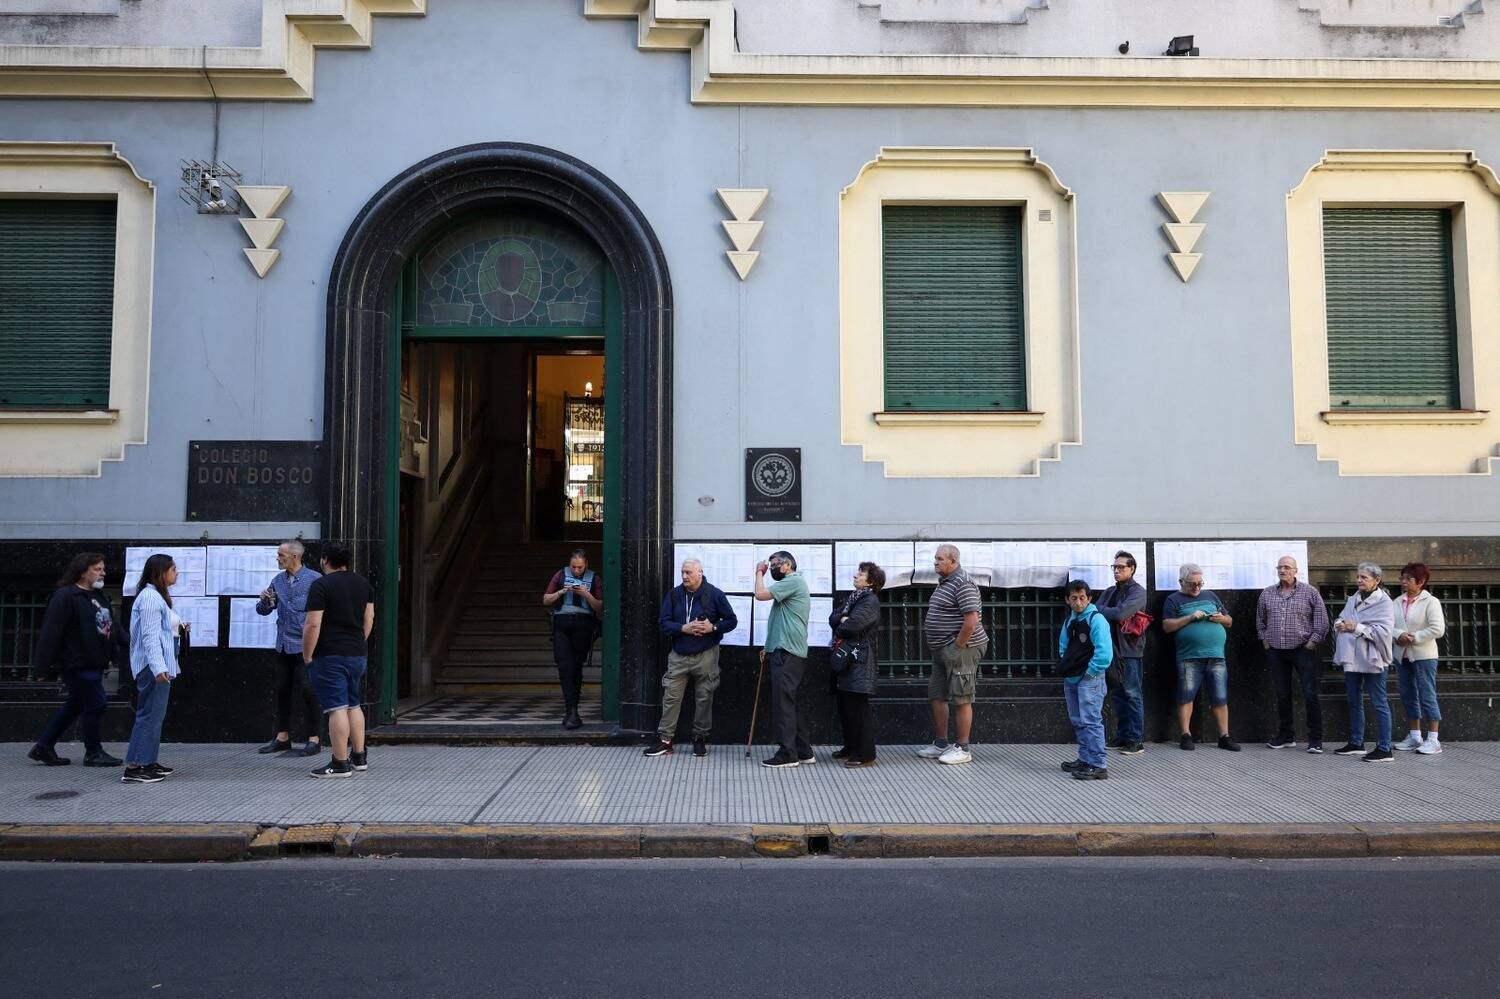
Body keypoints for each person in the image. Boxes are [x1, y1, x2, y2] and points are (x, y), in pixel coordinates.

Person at [28, 552, 125, 767]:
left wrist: (134, 643)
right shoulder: (66, 596)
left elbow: (114, 629)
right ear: (83, 571)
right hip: (76, 663)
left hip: (95, 661)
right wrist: (42, 668)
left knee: (75, 704)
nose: (103, 573)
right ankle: (93, 752)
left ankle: (43, 747)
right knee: (96, 703)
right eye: (97, 569)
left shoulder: (98, 597)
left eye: (103, 568)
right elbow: (51, 632)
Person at [645, 558, 739, 758]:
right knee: (671, 696)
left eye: (688, 572)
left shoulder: (714, 594)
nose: (685, 576)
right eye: (683, 572)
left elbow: (731, 620)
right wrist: (682, 628)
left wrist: (712, 627)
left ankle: (699, 739)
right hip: (678, 655)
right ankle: (665, 740)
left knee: (704, 697)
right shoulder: (674, 595)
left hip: (706, 654)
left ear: (700, 573)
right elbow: (662, 623)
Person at [302, 543, 374, 779]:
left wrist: (307, 654)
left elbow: (313, 624)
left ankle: (340, 763)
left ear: (324, 560)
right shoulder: (363, 584)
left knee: (336, 708)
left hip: (330, 654)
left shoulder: (320, 585)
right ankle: (359, 757)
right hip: (357, 653)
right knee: (354, 704)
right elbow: (369, 617)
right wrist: (359, 641)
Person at [917, 544, 988, 766]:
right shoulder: (945, 583)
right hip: (942, 650)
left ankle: (963, 748)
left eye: (940, 559)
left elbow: (971, 620)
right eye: (935, 559)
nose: (935, 562)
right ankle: (941, 743)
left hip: (961, 649)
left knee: (962, 696)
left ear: (953, 561)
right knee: (937, 694)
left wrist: (956, 648)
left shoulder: (963, 583)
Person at [254, 540, 323, 757]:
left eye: (281, 555)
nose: (277, 558)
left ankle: (314, 738)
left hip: (306, 645)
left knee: (308, 690)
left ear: (294, 556)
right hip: (283, 644)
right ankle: (282, 736)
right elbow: (264, 610)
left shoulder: (314, 580)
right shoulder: (278, 580)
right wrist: (264, 601)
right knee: (282, 689)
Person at [1256, 555, 1331, 753]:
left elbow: (1322, 621)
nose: (1282, 571)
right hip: (1276, 652)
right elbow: (1260, 620)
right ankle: (1286, 736)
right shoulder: (1267, 594)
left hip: (1302, 650)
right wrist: (1265, 641)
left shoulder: (1310, 592)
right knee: (1282, 694)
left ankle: (1315, 739)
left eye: (1287, 567)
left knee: (1309, 694)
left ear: (1295, 570)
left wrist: (1311, 644)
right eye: (1279, 567)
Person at [1162, 563, 1240, 751]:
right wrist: (1190, 618)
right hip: (1189, 657)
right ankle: (1186, 735)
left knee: (1220, 697)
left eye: (1200, 583)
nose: (1197, 587)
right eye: (1192, 584)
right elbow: (1167, 626)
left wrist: (1221, 618)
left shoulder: (1211, 596)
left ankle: (1224, 736)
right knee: (1186, 696)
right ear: (1181, 582)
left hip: (1216, 656)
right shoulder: (1173, 600)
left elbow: (1229, 621)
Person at [122, 554, 184, 784]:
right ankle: (135, 767)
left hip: (159, 666)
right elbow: (149, 636)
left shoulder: (156, 596)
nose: (177, 573)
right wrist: (158, 667)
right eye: (173, 569)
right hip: (152, 667)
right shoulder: (150, 598)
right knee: (148, 716)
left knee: (154, 716)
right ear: (161, 572)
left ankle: (148, 761)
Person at [1331, 562, 1395, 763]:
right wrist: (1340, 624)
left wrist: (1356, 627)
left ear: (1377, 580)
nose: (1359, 580)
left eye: (1364, 577)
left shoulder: (1384, 602)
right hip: (1352, 658)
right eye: (1358, 577)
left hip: (1373, 659)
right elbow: (1342, 617)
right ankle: (1356, 742)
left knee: (1379, 702)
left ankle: (1385, 748)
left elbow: (1384, 632)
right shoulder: (1354, 598)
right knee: (1353, 700)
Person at [755, 550, 813, 769]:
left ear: (788, 565)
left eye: (774, 565)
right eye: (768, 566)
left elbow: (760, 594)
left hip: (787, 652)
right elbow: (781, 620)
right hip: (785, 650)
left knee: (783, 704)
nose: (771, 568)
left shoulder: (793, 581)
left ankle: (788, 754)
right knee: (790, 702)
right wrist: (768, 647)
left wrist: (758, 573)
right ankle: (803, 750)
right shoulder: (792, 584)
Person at [829, 561, 883, 769]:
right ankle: (850, 747)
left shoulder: (869, 601)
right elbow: (832, 617)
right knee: (846, 706)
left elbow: (853, 625)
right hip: (847, 658)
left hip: (858, 660)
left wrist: (843, 621)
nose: (855, 576)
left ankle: (865, 754)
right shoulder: (853, 598)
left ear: (870, 581)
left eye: (860, 573)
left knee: (858, 707)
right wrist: (841, 618)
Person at [1057, 580, 1113, 781]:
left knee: (1091, 720)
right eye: (1074, 598)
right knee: (1078, 720)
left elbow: (1104, 652)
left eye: (1082, 598)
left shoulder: (1096, 620)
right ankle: (1085, 757)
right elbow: (1063, 646)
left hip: (1090, 678)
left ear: (1089, 598)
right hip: (1073, 676)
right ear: (1067, 600)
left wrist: (1091, 671)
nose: (1078, 602)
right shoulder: (1069, 621)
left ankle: (1098, 764)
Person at [541, 549, 603, 729]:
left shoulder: (594, 578)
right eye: (573, 567)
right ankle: (571, 711)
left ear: (586, 565)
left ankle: (573, 711)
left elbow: (600, 608)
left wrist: (586, 594)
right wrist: (562, 592)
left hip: (583, 624)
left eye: (580, 567)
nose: (576, 571)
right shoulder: (561, 574)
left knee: (576, 667)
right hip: (561, 624)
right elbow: (546, 599)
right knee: (565, 667)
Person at [1095, 550, 1147, 755]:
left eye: (1121, 567)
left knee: (1132, 694)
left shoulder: (1138, 592)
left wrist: (1105, 611)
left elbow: (1121, 613)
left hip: (1130, 650)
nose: (1117, 571)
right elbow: (1094, 609)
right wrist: (1107, 611)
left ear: (1132, 569)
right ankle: (1123, 736)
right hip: (1111, 650)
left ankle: (1136, 740)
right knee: (1117, 694)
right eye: (1114, 567)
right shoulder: (1110, 591)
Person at [1392, 562, 1446, 755]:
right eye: (1402, 578)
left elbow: (1438, 629)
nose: (1404, 582)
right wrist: (1398, 634)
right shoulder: (1397, 602)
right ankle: (1415, 735)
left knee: (1427, 694)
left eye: (1409, 579)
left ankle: (1433, 739)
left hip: (1424, 655)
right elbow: (1388, 625)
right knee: (1408, 695)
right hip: (1402, 655)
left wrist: (1414, 637)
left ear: (1421, 582)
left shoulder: (1430, 602)